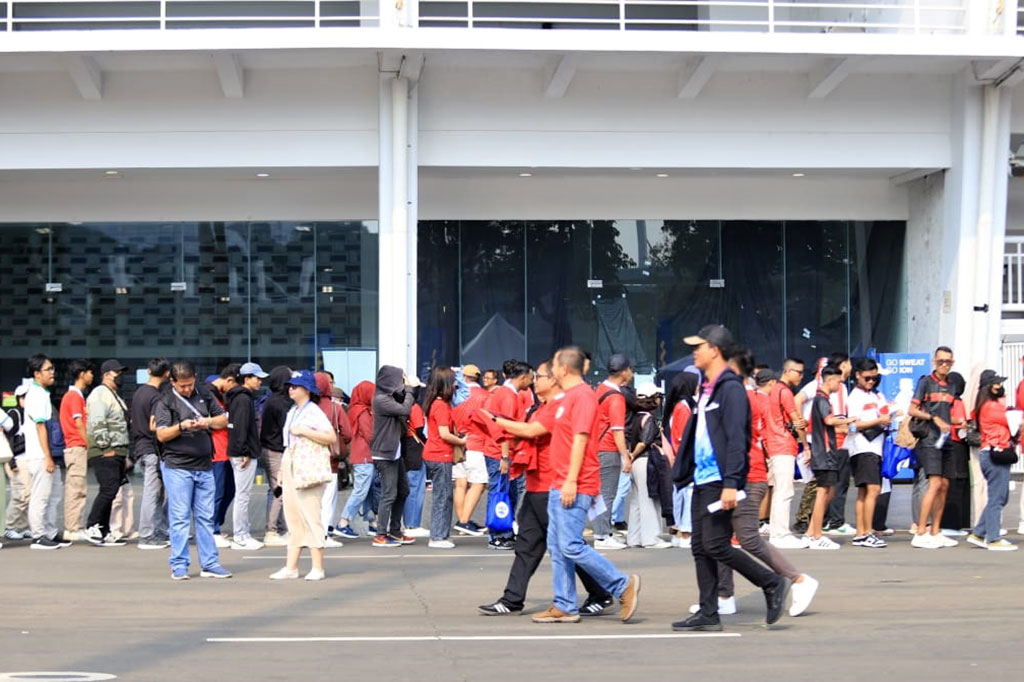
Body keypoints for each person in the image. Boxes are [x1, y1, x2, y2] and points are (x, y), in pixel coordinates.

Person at [671, 326, 789, 632]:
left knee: (716, 545)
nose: (694, 351)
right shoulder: (707, 387)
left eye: (699, 346)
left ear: (715, 350)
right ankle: (709, 613)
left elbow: (738, 438)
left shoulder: (732, 389)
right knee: (700, 546)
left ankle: (772, 582)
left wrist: (731, 483)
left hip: (720, 479)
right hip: (702, 478)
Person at [478, 359, 615, 617]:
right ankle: (512, 599)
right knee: (530, 545)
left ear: (553, 380)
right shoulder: (543, 406)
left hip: (553, 486)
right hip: (537, 484)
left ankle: (604, 590)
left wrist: (497, 420)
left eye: (538, 376)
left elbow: (531, 432)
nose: (533, 380)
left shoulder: (561, 407)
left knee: (568, 546)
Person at [689, 364, 819, 618]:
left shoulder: (743, 398)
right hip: (741, 475)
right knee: (720, 538)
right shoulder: (752, 397)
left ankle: (798, 579)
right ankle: (724, 596)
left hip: (747, 477)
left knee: (746, 537)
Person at [533, 346, 640, 624]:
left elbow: (580, 439)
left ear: (564, 369)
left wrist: (570, 480)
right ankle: (565, 604)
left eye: (553, 365)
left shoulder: (581, 397)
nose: (549, 370)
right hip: (562, 481)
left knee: (569, 545)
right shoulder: (568, 397)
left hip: (576, 483)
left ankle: (621, 585)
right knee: (558, 546)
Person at [155, 360, 231, 580]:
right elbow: (161, 434)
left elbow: (223, 420)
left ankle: (210, 563)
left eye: (190, 384)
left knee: (206, 517)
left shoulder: (205, 393)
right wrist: (181, 426)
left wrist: (205, 422)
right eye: (182, 386)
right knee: (180, 518)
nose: (187, 389)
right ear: (173, 382)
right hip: (178, 466)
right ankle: (179, 564)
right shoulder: (165, 400)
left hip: (205, 465)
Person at [269, 370, 338, 580]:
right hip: (292, 465)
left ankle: (317, 567)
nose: (291, 389)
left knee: (311, 516)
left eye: (295, 386)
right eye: (290, 386)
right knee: (293, 517)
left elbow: (330, 436)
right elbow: (287, 445)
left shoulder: (313, 411)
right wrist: (281, 470)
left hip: (307, 469)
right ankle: (291, 566)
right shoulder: (293, 411)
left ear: (307, 389)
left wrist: (304, 431)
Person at [909, 346, 959, 549]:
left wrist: (958, 421)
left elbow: (947, 414)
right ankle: (920, 531)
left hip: (946, 440)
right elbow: (912, 409)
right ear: (934, 362)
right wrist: (933, 418)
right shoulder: (925, 382)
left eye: (948, 362)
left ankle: (935, 531)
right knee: (934, 483)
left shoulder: (952, 384)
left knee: (945, 485)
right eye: (941, 361)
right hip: (929, 439)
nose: (945, 365)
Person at [480, 360, 533, 550]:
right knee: (499, 493)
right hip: (500, 453)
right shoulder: (509, 396)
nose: (532, 382)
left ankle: (505, 532)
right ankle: (497, 535)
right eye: (531, 377)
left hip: (500, 452)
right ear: (523, 377)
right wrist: (504, 457)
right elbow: (503, 427)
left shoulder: (504, 393)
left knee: (506, 493)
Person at [966, 370, 1019, 551]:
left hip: (992, 454)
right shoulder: (991, 406)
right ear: (989, 387)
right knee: (997, 498)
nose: (1001, 387)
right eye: (997, 384)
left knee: (1000, 497)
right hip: (994, 454)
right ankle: (994, 538)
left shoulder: (986, 405)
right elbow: (1013, 421)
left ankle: (979, 533)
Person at [846, 358, 895, 548]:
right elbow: (853, 424)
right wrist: (878, 421)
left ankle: (861, 533)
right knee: (873, 489)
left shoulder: (876, 395)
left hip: (875, 445)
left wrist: (888, 415)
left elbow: (884, 413)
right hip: (862, 446)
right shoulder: (855, 397)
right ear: (858, 375)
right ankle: (866, 532)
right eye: (867, 378)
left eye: (875, 378)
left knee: (865, 491)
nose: (871, 381)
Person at [805, 366, 854, 550]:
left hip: (826, 452)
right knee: (822, 493)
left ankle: (811, 532)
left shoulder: (822, 399)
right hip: (824, 453)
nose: (840, 385)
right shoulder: (822, 399)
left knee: (828, 492)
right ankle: (816, 536)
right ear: (830, 380)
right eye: (839, 382)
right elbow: (829, 421)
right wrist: (848, 420)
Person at [83, 359, 131, 547]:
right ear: (106, 374)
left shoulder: (114, 395)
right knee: (108, 489)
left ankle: (103, 531)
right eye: (117, 372)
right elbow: (97, 422)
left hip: (117, 450)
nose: (121, 376)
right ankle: (92, 525)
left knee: (111, 490)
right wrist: (106, 448)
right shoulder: (100, 394)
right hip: (106, 451)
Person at [24, 354, 68, 550]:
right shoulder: (35, 395)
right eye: (48, 369)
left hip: (48, 454)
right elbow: (40, 427)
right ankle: (38, 535)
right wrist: (48, 456)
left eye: (52, 368)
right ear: (36, 373)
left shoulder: (42, 393)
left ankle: (50, 532)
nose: (52, 373)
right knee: (41, 496)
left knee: (54, 495)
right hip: (41, 454)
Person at [765, 357, 808, 548]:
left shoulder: (772, 390)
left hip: (772, 445)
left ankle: (777, 532)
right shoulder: (785, 392)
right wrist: (806, 445)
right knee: (785, 491)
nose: (801, 376)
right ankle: (781, 534)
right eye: (798, 372)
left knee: (779, 491)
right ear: (787, 371)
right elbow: (797, 420)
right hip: (783, 445)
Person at [370, 365, 415, 548]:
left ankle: (395, 532)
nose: (401, 382)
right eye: (399, 378)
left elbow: (406, 403)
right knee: (389, 494)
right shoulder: (381, 399)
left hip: (394, 452)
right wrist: (410, 389)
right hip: (384, 454)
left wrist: (410, 389)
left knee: (403, 490)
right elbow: (405, 409)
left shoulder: (389, 397)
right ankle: (381, 534)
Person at [421, 367, 466, 549]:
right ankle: (438, 536)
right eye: (453, 380)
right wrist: (463, 441)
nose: (456, 384)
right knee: (443, 496)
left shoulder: (437, 403)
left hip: (437, 453)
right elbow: (444, 434)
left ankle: (441, 534)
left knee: (444, 495)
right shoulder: (441, 406)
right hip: (440, 454)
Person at [592, 354, 633, 551]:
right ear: (625, 371)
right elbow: (618, 430)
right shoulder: (616, 397)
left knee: (601, 493)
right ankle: (602, 536)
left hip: (597, 447)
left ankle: (604, 531)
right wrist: (625, 455)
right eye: (630, 369)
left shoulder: (601, 389)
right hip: (608, 449)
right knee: (607, 494)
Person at [227, 362, 269, 551]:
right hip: (242, 453)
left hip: (240, 451)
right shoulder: (243, 398)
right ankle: (241, 535)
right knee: (243, 496)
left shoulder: (239, 397)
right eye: (257, 378)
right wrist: (243, 450)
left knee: (242, 495)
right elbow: (240, 426)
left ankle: (242, 533)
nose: (260, 381)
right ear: (246, 378)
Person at [625, 383, 671, 549]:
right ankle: (652, 538)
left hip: (638, 463)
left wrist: (630, 457)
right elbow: (645, 441)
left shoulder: (636, 417)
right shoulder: (649, 419)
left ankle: (634, 537)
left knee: (637, 501)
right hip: (646, 461)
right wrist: (633, 455)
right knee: (649, 499)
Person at [132, 358, 171, 550]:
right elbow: (155, 425)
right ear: (166, 374)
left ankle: (157, 531)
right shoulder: (156, 397)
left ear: (148, 371)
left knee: (156, 493)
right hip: (151, 448)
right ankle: (147, 535)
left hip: (141, 446)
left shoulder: (140, 393)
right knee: (153, 493)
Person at [314, 371, 352, 547]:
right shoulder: (335, 407)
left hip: (308, 462)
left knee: (311, 499)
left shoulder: (305, 407)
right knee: (327, 499)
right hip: (330, 461)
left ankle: (310, 534)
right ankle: (322, 536)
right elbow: (347, 433)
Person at [452, 364, 490, 536]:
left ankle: (463, 521)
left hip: (457, 442)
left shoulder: (455, 396)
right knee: (479, 482)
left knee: (460, 483)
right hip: (476, 443)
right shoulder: (485, 396)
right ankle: (464, 521)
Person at [335, 380, 376, 539]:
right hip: (364, 455)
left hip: (362, 456)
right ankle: (343, 522)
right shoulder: (363, 412)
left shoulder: (354, 409)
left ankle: (373, 523)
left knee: (368, 491)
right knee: (361, 491)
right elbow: (370, 435)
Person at [666, 367, 701, 549]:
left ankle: (680, 531)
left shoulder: (680, 406)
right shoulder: (685, 407)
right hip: (686, 456)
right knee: (687, 493)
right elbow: (684, 436)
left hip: (681, 455)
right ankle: (685, 532)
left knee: (680, 493)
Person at [59, 359, 93, 540]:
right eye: (89, 372)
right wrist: (89, 443)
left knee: (78, 487)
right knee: (76, 488)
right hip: (76, 446)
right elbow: (79, 422)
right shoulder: (73, 396)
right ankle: (73, 528)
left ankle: (74, 526)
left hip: (76, 446)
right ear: (81, 373)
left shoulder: (76, 396)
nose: (91, 376)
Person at [259, 366, 293, 546]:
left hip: (271, 449)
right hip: (275, 450)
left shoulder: (274, 400)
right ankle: (271, 531)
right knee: (278, 491)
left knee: (277, 490)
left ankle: (281, 529)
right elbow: (287, 429)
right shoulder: (280, 403)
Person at [207, 364, 239, 548]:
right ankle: (212, 529)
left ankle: (216, 524)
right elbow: (215, 422)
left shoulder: (220, 397)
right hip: (216, 452)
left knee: (229, 491)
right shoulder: (208, 395)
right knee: (217, 493)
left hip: (226, 450)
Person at [3, 386, 31, 540]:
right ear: (19, 398)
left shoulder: (29, 414)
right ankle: (9, 525)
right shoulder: (14, 415)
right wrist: (12, 461)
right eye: (24, 397)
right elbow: (6, 439)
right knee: (21, 494)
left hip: (27, 459)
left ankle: (21, 526)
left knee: (28, 494)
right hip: (18, 459)